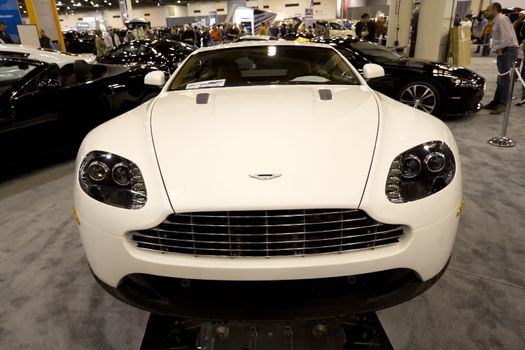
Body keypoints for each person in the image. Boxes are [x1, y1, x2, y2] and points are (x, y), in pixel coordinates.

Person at [482, 2, 520, 114]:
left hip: (508, 50)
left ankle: (502, 104)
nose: (486, 12)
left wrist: (500, 50)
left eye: (488, 9)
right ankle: (496, 102)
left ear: (494, 9)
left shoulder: (501, 19)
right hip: (505, 50)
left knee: (503, 78)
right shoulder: (496, 20)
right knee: (500, 79)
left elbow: (506, 38)